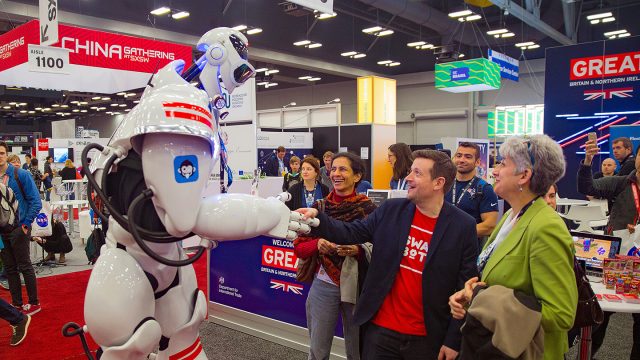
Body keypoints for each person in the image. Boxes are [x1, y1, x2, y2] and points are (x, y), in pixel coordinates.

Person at [298, 149, 479, 360]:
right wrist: (317, 217)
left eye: (417, 173)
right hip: (380, 332)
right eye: (410, 171)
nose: (408, 178)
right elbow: (352, 231)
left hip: (426, 337)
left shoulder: (463, 226)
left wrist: (452, 340)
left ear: (438, 183)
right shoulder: (391, 210)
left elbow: (465, 288)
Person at [449, 135, 578, 360]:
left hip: (527, 351)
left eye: (503, 163)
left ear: (524, 176)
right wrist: (471, 294)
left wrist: (482, 297)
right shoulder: (512, 215)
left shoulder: (545, 227)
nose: (495, 171)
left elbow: (560, 314)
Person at [294, 152, 377, 360]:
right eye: (333, 169)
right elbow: (299, 248)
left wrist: (358, 250)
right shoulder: (319, 209)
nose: (336, 174)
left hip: (358, 286)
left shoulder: (368, 209)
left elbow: (382, 247)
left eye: (343, 169)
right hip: (324, 282)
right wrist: (317, 244)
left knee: (357, 348)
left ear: (357, 176)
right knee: (318, 349)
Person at [578, 140, 640, 359]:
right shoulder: (623, 183)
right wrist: (587, 162)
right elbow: (588, 188)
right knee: (599, 318)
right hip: (616, 262)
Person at [0, 141, 43, 316]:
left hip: (19, 228)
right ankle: (17, 304)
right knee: (10, 268)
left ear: (6, 154)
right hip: (2, 231)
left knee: (24, 266)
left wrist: (25, 225)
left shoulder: (21, 174)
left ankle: (34, 303)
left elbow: (36, 201)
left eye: (1, 153)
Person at [445, 142, 499, 239]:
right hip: (442, 245)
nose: (461, 160)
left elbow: (490, 226)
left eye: (468, 157)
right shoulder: (444, 184)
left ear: (477, 162)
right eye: (459, 155)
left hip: (467, 248)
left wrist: (457, 233)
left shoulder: (484, 189)